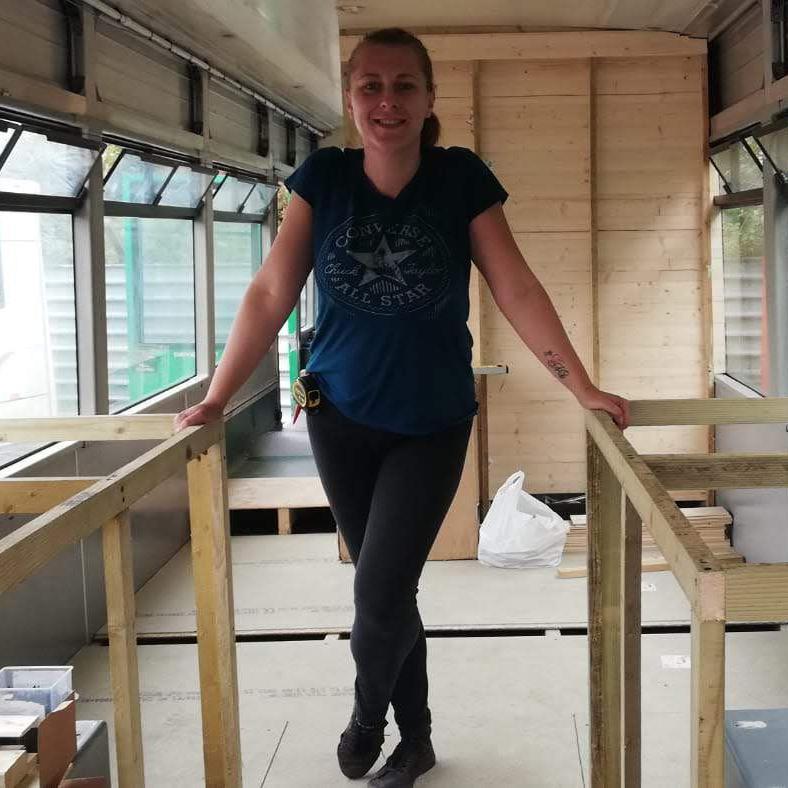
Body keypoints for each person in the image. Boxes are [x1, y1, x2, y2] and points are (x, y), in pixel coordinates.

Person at [175, 26, 630, 788]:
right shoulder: (323, 178)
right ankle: (414, 741)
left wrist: (580, 385)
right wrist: (218, 394)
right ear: (351, 99)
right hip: (338, 416)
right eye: (371, 86)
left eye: (404, 86)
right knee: (392, 591)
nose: (388, 101)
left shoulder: (460, 180)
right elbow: (270, 292)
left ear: (428, 99)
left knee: (378, 587)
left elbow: (516, 287)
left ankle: (366, 717)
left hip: (432, 421)